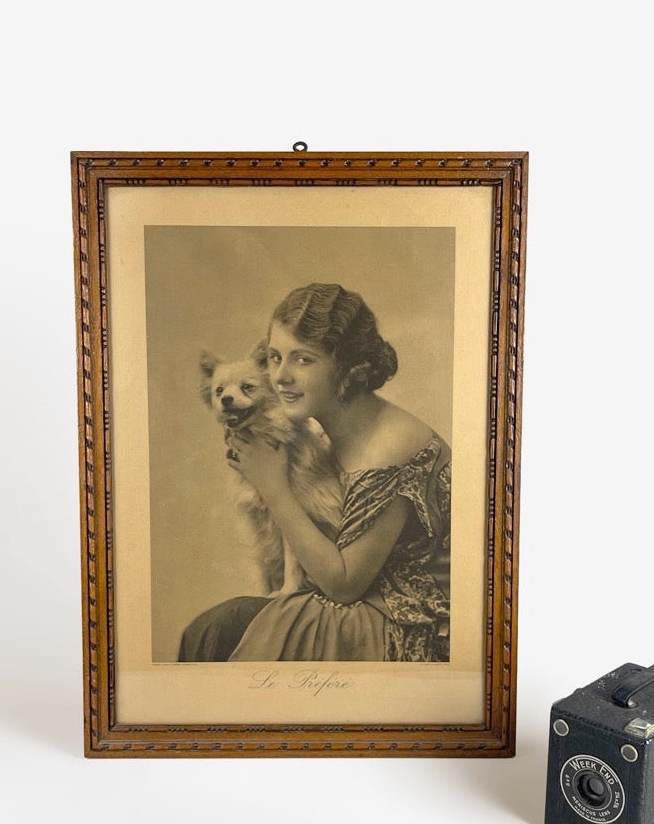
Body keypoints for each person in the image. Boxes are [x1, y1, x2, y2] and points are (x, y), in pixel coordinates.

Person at [178, 283, 450, 663]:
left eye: (303, 360)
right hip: (357, 600)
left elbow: (343, 585)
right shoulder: (329, 434)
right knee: (215, 628)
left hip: (397, 625)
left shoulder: (389, 446)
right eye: (275, 358)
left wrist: (273, 488)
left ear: (348, 366)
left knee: (219, 629)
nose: (280, 376)